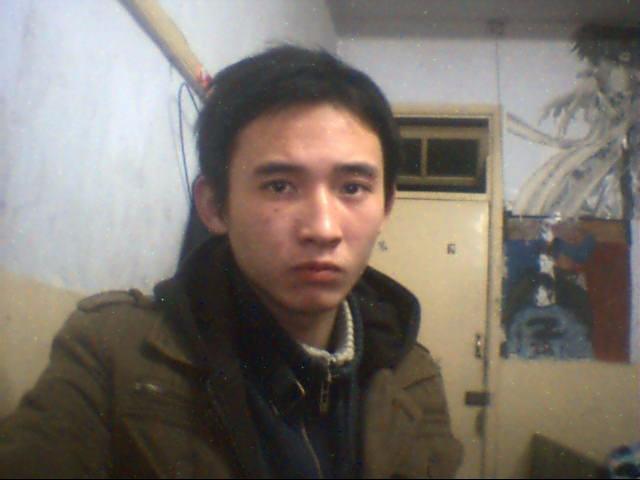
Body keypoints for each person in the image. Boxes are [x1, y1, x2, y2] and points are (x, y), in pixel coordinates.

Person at [0, 45, 462, 478]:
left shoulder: (411, 374)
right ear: (215, 206)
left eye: (353, 188)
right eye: (280, 186)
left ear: (386, 206)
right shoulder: (111, 353)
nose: (323, 229)